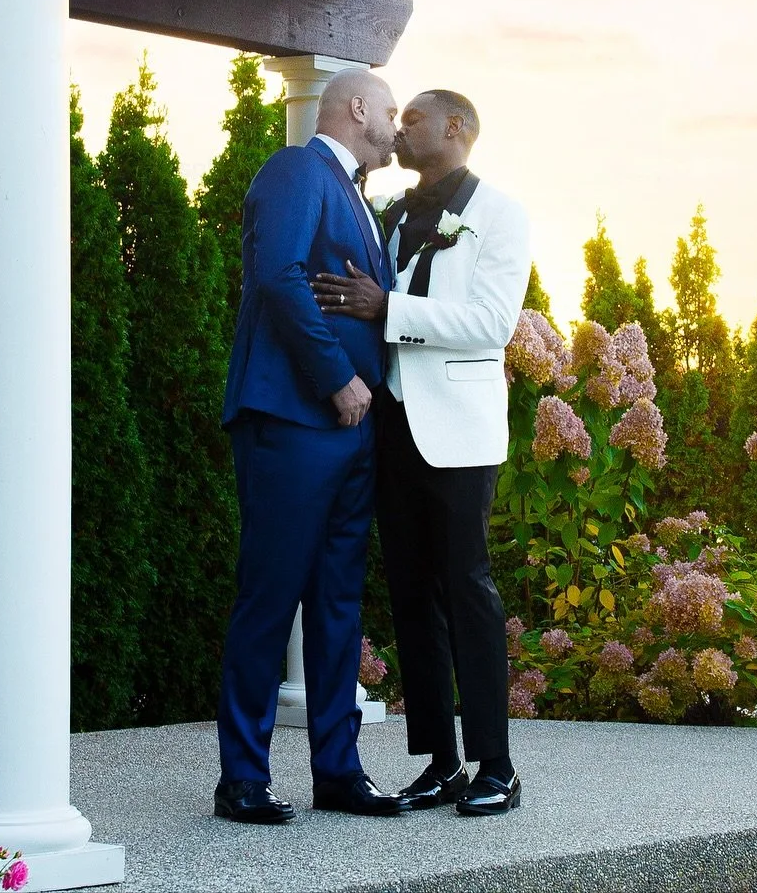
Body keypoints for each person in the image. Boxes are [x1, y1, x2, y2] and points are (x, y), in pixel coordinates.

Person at [312, 88, 530, 817]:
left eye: (413, 119)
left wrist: (389, 309)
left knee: (466, 588)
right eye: (395, 118)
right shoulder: (393, 213)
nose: (399, 128)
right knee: (410, 593)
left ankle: (497, 766)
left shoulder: (499, 214)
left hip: (461, 433)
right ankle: (441, 763)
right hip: (392, 428)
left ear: (458, 128)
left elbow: (493, 321)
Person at [214, 68, 404, 825]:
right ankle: (242, 779)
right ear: (356, 107)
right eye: (390, 109)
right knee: (270, 598)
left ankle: (339, 770)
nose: (396, 122)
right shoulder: (296, 169)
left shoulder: (357, 192)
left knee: (338, 603)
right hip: (295, 422)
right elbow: (277, 276)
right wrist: (336, 379)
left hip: (354, 431)